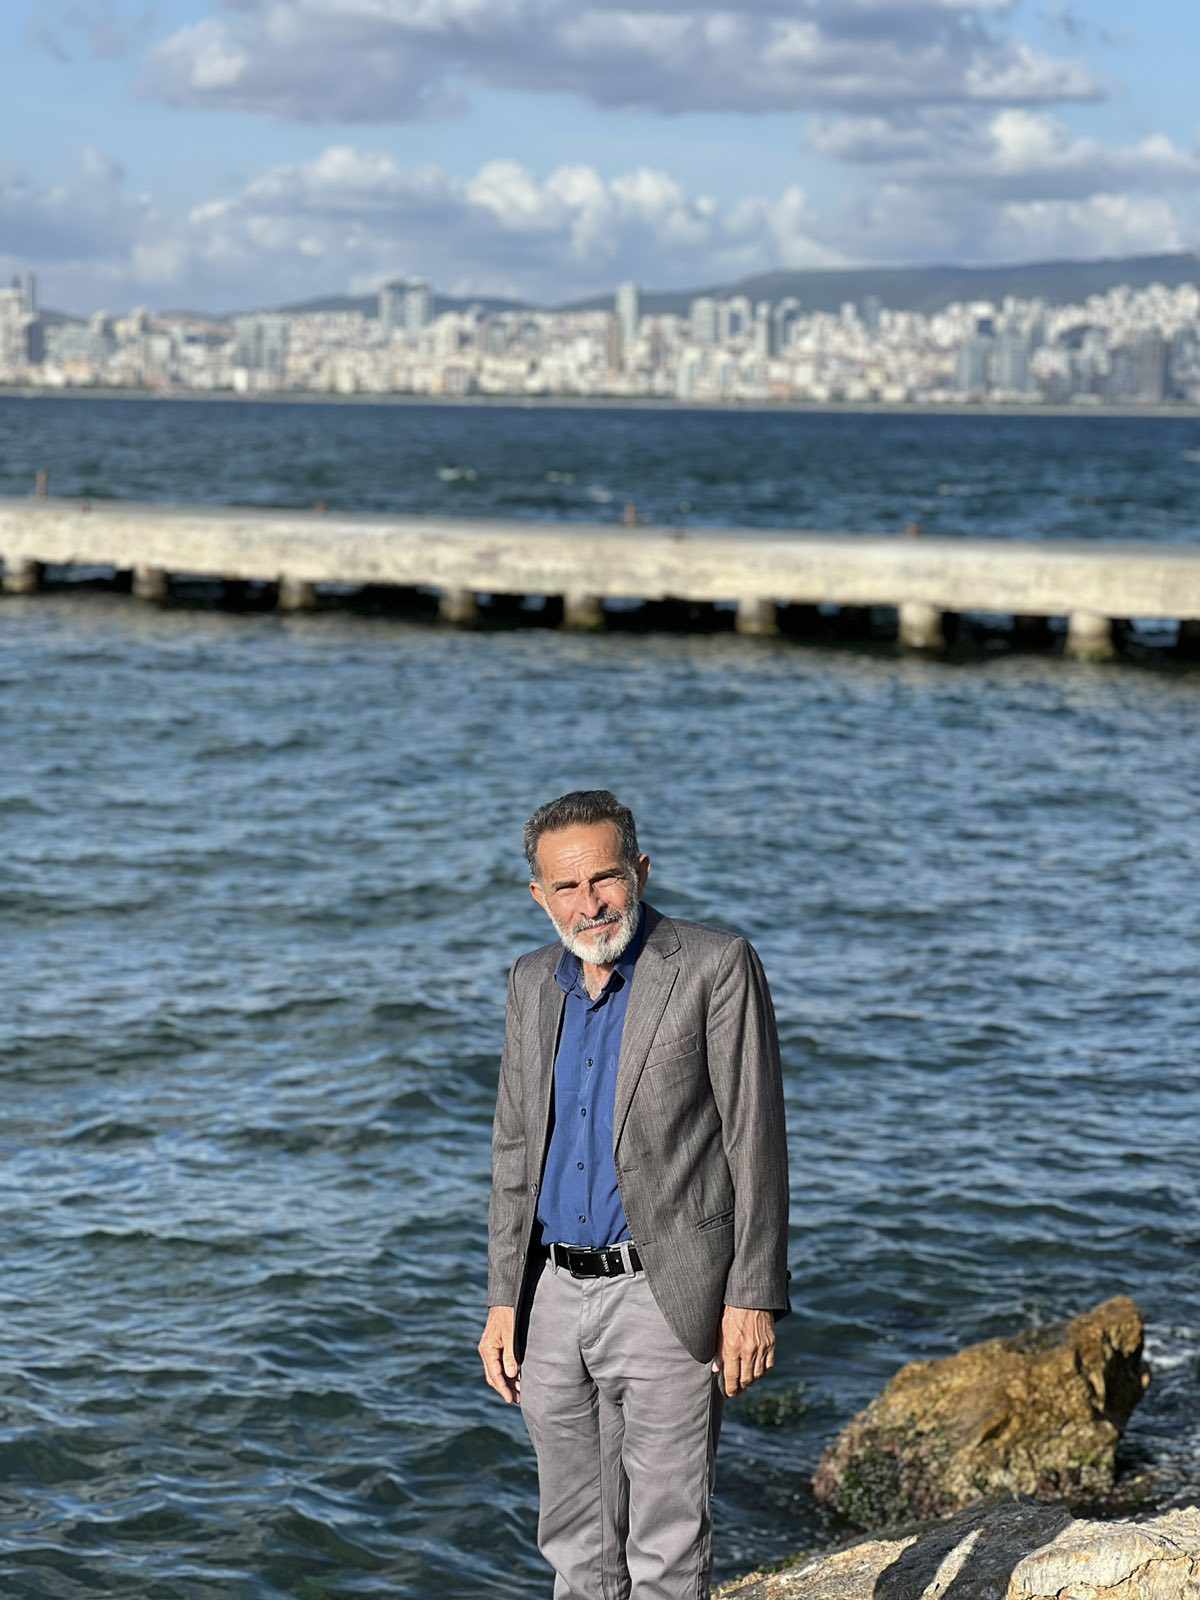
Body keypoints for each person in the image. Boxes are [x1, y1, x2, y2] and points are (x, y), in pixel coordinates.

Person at [478, 789, 790, 1600]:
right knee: (573, 1541)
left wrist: (752, 1298)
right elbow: (514, 1149)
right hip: (549, 1297)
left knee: (667, 1544)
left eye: (605, 879)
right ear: (539, 896)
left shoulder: (715, 965)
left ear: (640, 871)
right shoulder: (530, 982)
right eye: (568, 887)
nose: (591, 904)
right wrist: (503, 1300)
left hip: (665, 1291)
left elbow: (755, 1140)